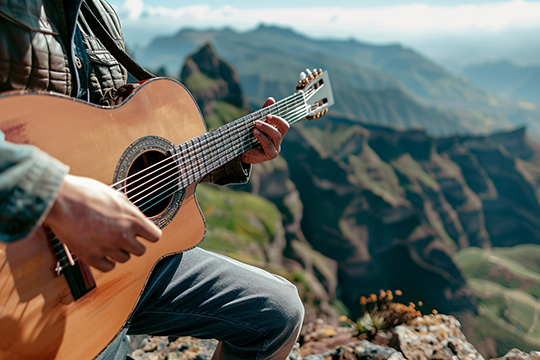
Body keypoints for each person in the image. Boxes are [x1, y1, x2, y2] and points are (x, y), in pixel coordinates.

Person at [0, 0, 305, 359]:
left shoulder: (99, 14)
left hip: (119, 270)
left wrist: (231, 153)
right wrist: (55, 194)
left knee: (279, 313)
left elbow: (119, 141)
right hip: (23, 282)